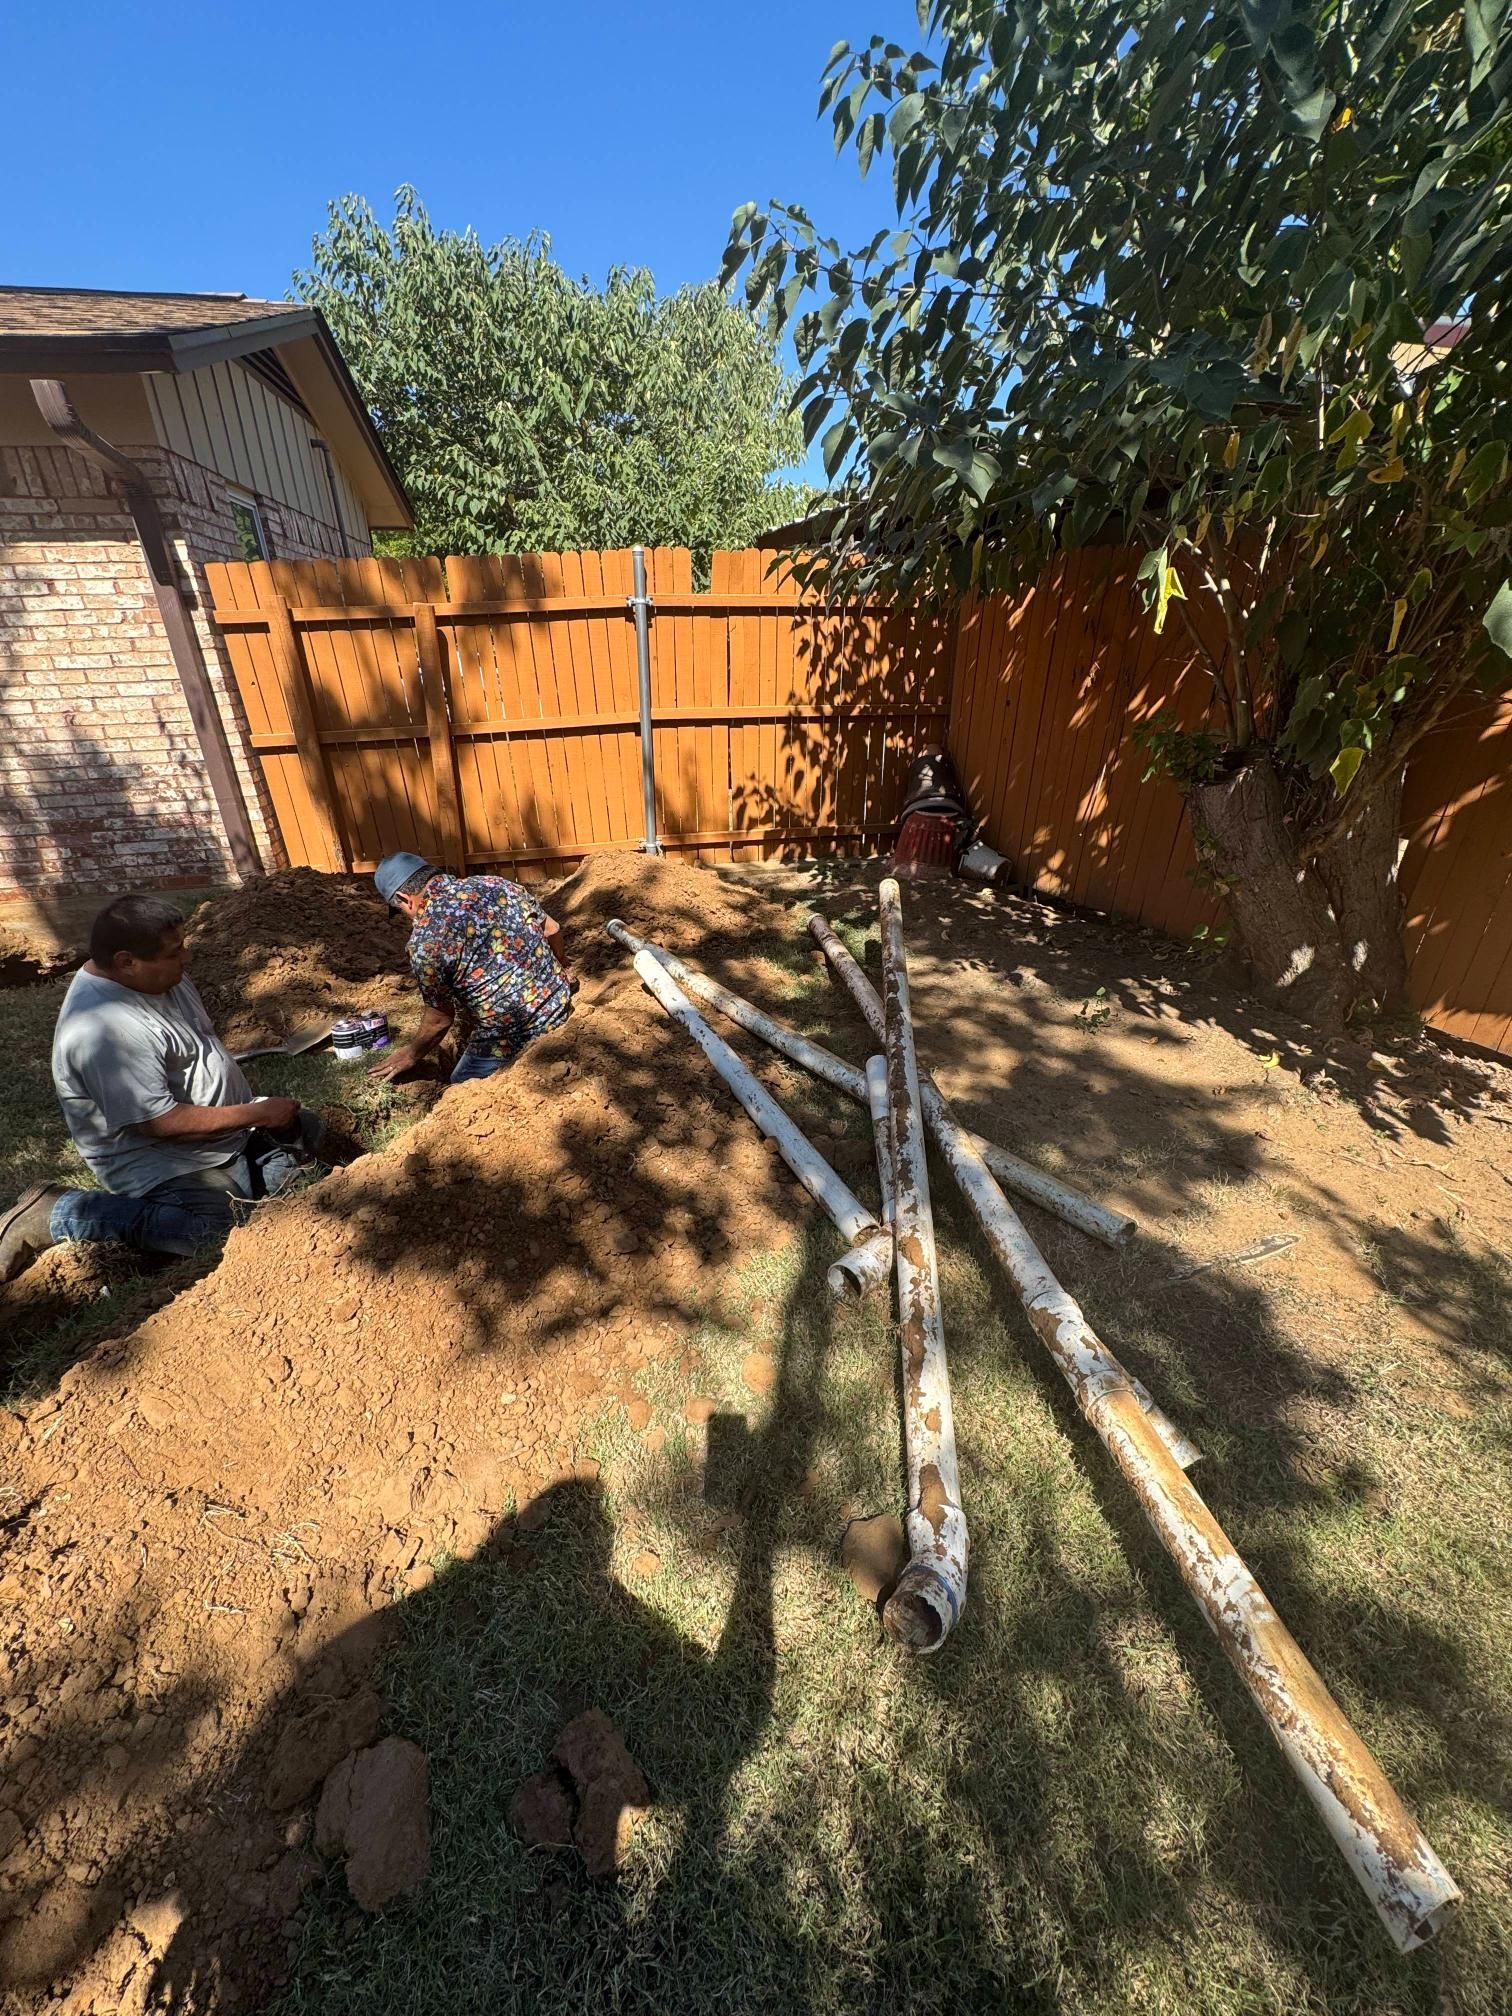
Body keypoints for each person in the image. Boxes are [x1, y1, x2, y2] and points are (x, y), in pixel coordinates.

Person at [0, 894, 325, 1284]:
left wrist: (255, 1115)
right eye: (175, 952)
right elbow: (157, 1122)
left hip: (225, 1139)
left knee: (309, 1129)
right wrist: (257, 1113)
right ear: (126, 962)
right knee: (222, 1233)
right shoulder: (101, 1032)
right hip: (164, 1161)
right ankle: (58, 1211)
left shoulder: (161, 979)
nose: (186, 959)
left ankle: (250, 1186)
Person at [369, 852, 572, 1085]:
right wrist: (560, 964)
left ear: (406, 899)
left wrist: (411, 1053)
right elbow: (552, 929)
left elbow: (440, 1020)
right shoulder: (496, 883)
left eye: (401, 911)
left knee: (461, 1086)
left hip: (517, 1035)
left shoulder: (424, 943)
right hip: (562, 1006)